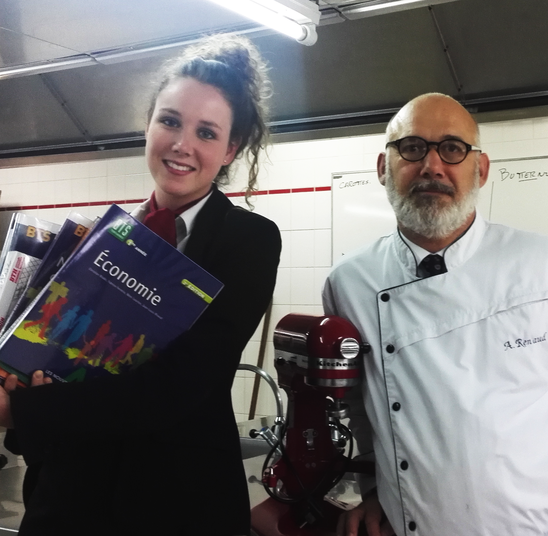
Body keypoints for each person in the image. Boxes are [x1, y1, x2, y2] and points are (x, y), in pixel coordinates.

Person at [0, 34, 281, 536]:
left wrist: (23, 409)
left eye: (207, 132)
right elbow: (65, 361)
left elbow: (173, 389)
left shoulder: (248, 241)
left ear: (230, 148)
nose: (182, 144)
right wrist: (24, 381)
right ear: (148, 123)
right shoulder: (103, 239)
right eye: (170, 121)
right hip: (67, 505)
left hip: (175, 510)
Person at [323, 93, 548, 536]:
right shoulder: (349, 282)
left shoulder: (538, 263)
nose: (432, 166)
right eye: (411, 148)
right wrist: (365, 485)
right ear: (383, 169)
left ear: (480, 170)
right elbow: (357, 408)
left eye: (452, 148)